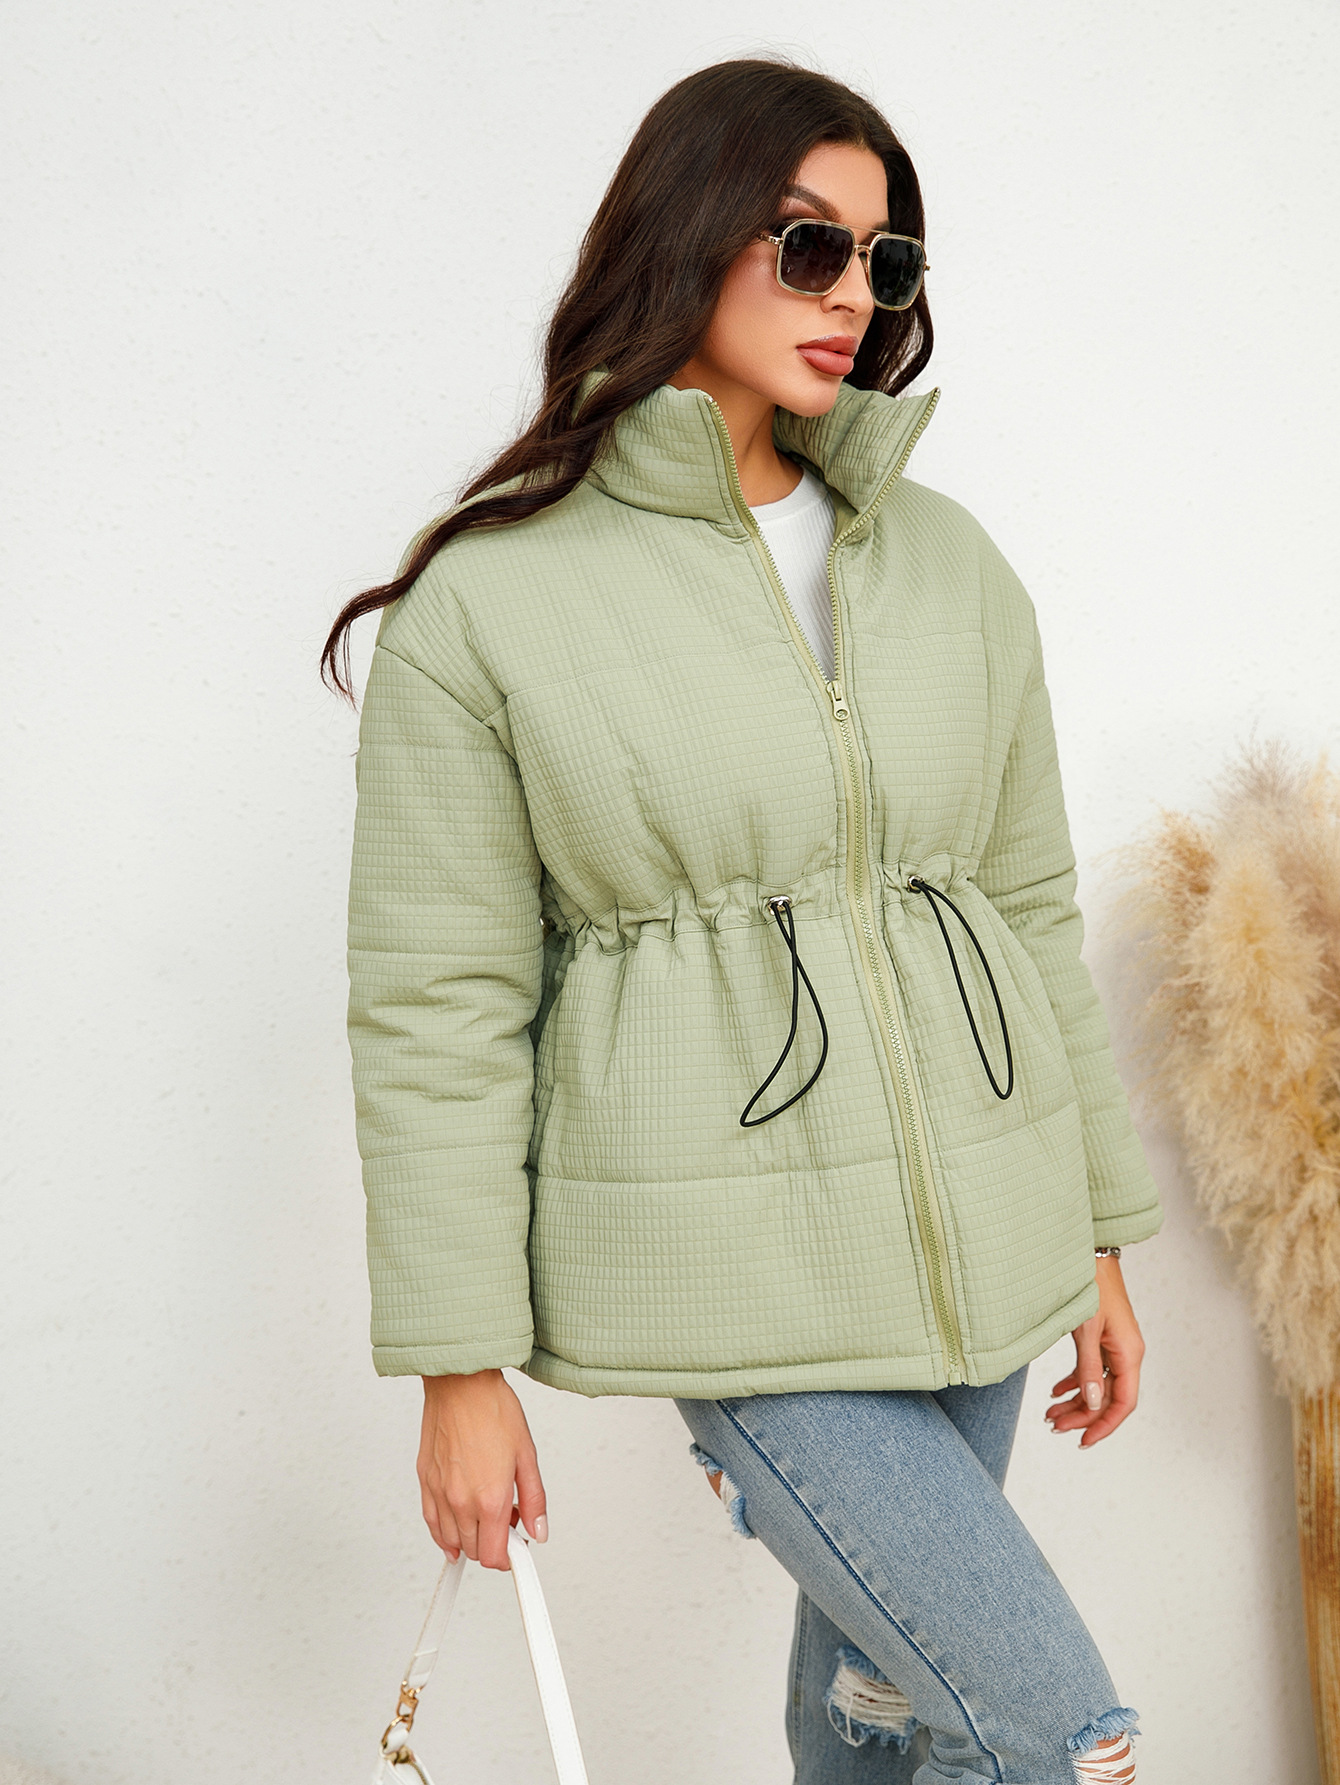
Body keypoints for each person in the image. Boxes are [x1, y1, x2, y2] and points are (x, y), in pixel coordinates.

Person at [324, 57, 1161, 1785]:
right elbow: (439, 1000)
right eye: (808, 244)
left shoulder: (949, 561)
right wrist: (455, 1365)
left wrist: (1094, 1228)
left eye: (885, 259)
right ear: (688, 230)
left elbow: (1024, 909)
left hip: (991, 1231)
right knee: (1054, 1734)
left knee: (881, 1717)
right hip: (742, 1273)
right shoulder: (494, 597)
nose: (854, 294)